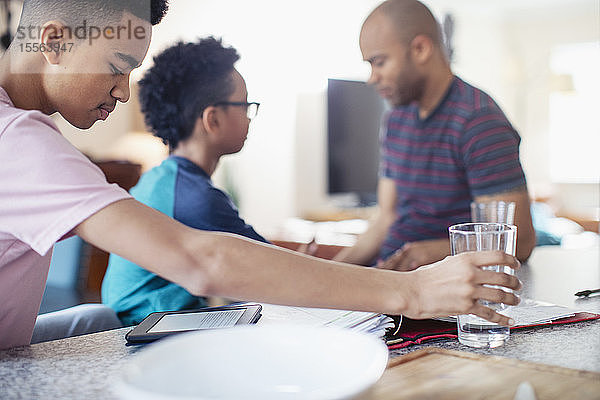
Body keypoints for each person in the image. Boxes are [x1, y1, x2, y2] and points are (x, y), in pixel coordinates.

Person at [0, 0, 521, 350]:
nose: (121, 92)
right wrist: (411, 291)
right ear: (54, 40)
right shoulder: (18, 141)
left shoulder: (27, 133)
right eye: (117, 66)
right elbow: (203, 259)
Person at [334, 0, 536, 271]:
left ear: (420, 49)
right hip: (389, 278)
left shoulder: (479, 120)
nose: (372, 78)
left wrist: (434, 252)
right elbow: (385, 218)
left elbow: (518, 242)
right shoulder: (395, 118)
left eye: (379, 62)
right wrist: (328, 272)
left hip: (438, 286)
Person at [102, 38, 270, 325]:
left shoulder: (163, 181)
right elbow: (273, 271)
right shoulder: (194, 198)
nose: (250, 116)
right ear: (213, 119)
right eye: (245, 105)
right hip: (147, 337)